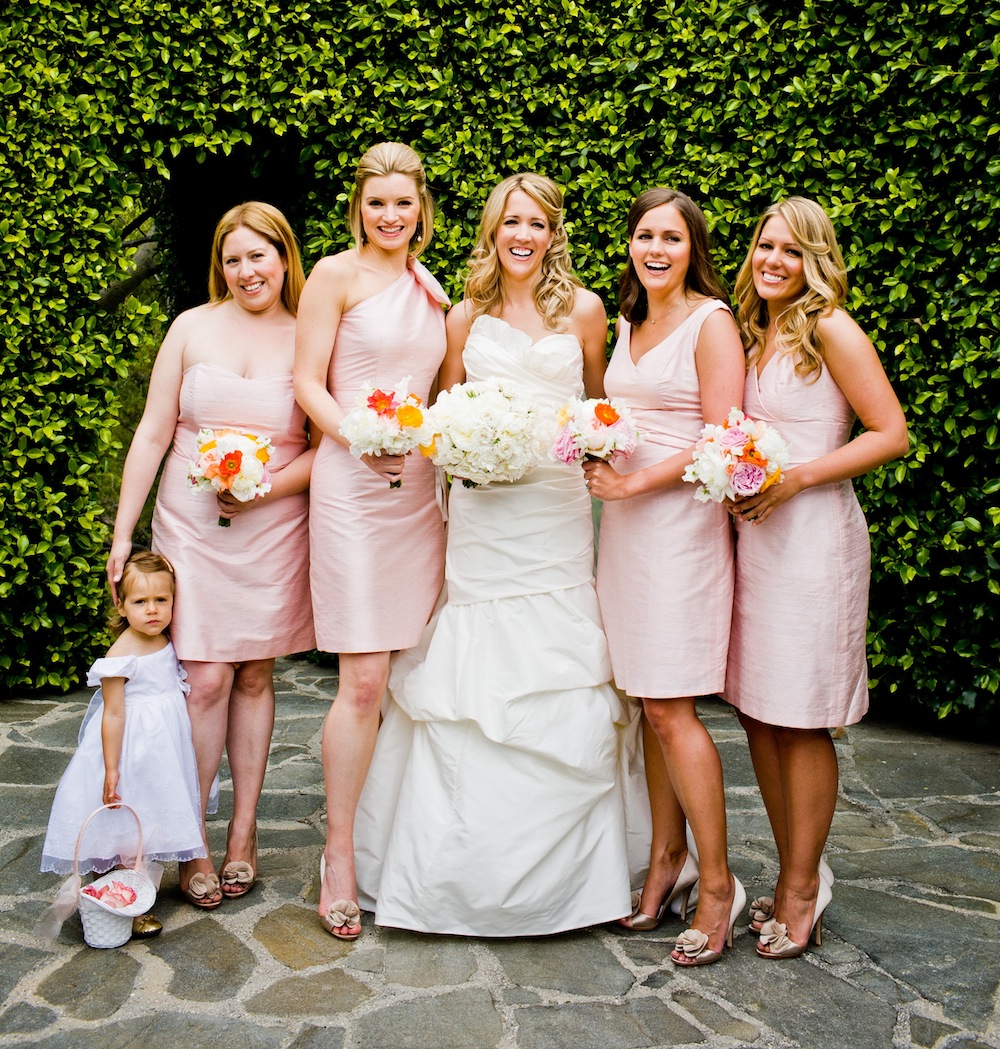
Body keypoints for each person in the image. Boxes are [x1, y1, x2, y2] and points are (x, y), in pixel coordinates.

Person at [353, 172, 634, 937]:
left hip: (554, 512)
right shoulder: (463, 314)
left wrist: (598, 452)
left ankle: (572, 876)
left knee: (558, 662)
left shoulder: (585, 312)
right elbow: (443, 412)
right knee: (473, 667)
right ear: (492, 229)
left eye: (537, 223)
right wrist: (454, 450)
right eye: (511, 221)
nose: (523, 235)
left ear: (553, 234)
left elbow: (598, 408)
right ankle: (452, 869)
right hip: (483, 514)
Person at [107, 202, 316, 909]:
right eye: (233, 258)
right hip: (191, 523)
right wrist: (122, 533)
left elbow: (326, 451)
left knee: (255, 673)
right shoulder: (191, 327)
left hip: (274, 522)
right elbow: (151, 433)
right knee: (203, 679)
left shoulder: (310, 334)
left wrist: (263, 492)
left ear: (283, 258)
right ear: (219, 266)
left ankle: (244, 834)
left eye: (258, 255)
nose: (246, 270)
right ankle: (189, 839)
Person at [724, 197, 908, 959]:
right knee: (759, 711)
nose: (773, 261)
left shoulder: (830, 326)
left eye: (791, 252)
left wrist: (797, 479)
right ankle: (797, 865)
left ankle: (802, 888)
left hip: (814, 542)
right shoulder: (756, 330)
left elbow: (891, 432)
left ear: (816, 261)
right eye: (766, 246)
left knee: (799, 715)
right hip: (758, 539)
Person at [584, 188, 747, 966]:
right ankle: (663, 859)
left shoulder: (711, 324)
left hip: (680, 533)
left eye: (671, 238)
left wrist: (635, 483)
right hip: (623, 535)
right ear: (630, 244)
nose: (656, 248)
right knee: (650, 704)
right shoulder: (628, 322)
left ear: (693, 249)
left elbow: (723, 437)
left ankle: (716, 884)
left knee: (674, 709)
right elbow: (619, 418)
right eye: (645, 234)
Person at [293, 142, 449, 940]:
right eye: (377, 202)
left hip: (418, 494)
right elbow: (308, 382)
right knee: (360, 679)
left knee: (403, 675)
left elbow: (441, 392)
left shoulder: (432, 287)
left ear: (422, 207)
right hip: (353, 488)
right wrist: (356, 435)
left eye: (404, 203)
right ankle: (340, 854)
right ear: (358, 206)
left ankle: (391, 833)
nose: (391, 216)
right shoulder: (333, 274)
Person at [41, 551, 204, 937]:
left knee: (147, 825)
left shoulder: (166, 639)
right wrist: (112, 769)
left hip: (160, 753)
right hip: (129, 752)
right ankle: (117, 902)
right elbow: (113, 714)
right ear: (120, 604)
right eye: (140, 602)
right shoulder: (120, 656)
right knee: (121, 826)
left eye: (161, 600)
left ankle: (132, 896)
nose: (152, 610)